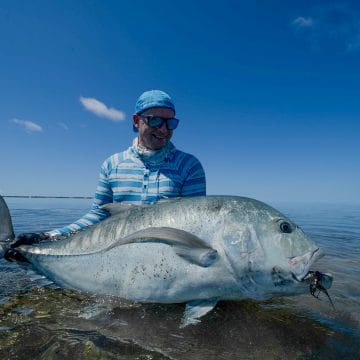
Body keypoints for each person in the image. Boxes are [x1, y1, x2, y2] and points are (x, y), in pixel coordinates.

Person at [6, 90, 206, 255]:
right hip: (114, 255)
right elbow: (98, 215)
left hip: (167, 260)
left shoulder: (189, 166)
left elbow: (194, 224)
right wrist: (47, 237)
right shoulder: (112, 164)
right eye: (155, 121)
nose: (163, 129)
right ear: (137, 121)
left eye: (170, 123)